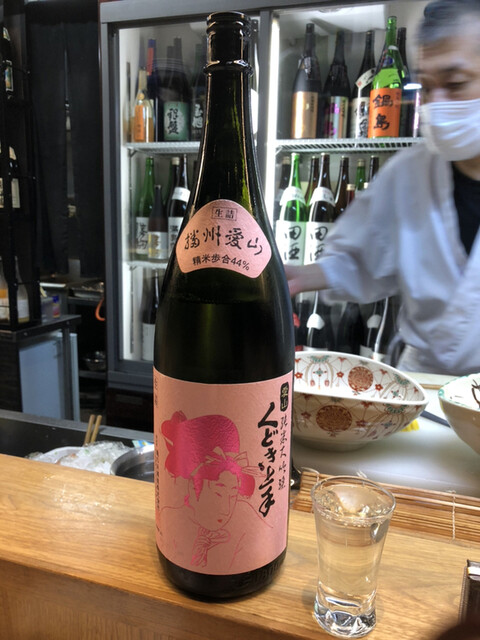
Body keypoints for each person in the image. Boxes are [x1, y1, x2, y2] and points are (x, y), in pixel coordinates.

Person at [285, 0, 480, 376]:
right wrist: (300, 276)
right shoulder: (410, 172)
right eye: (427, 87)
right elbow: (363, 257)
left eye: (455, 84)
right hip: (424, 383)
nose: (437, 104)